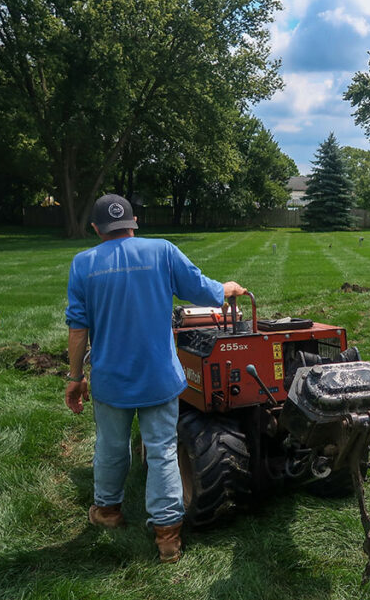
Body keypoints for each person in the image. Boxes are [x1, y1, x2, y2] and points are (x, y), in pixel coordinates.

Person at [64, 194, 247, 563]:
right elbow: (202, 290)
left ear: (96, 228)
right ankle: (167, 536)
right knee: (163, 451)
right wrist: (227, 289)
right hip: (159, 376)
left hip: (111, 379)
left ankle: (108, 511)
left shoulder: (83, 263)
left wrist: (75, 376)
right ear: (134, 223)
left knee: (111, 447)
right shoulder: (162, 250)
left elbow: (78, 328)